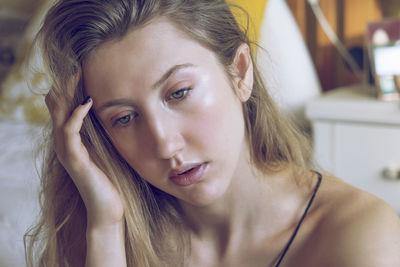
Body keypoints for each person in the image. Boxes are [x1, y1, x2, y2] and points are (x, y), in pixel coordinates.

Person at [25, 0, 400, 266]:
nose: (165, 144)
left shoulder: (362, 236)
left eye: (179, 93)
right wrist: (104, 228)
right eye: (124, 118)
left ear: (240, 72)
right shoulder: (105, 231)